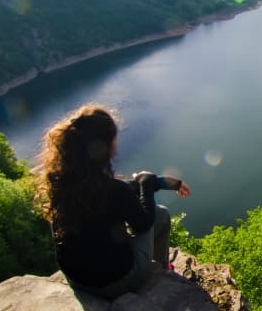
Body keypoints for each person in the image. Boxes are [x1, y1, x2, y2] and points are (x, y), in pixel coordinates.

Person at [36, 105, 191, 299]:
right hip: (114, 282)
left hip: (76, 279)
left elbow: (120, 191)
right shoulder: (113, 189)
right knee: (161, 215)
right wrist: (147, 181)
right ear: (103, 146)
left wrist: (159, 182)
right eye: (114, 138)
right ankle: (162, 271)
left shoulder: (60, 182)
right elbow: (144, 223)